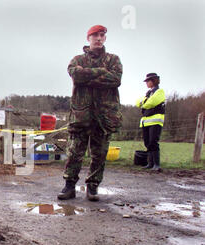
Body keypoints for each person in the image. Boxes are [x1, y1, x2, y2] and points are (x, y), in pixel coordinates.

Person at [58, 25, 123, 201]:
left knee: (99, 154)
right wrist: (101, 73)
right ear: (88, 38)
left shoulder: (113, 60)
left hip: (104, 117)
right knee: (74, 154)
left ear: (105, 38)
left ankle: (92, 187)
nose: (99, 38)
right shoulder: (77, 59)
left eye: (102, 35)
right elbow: (76, 75)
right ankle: (69, 186)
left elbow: (115, 79)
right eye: (95, 35)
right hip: (81, 116)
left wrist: (89, 77)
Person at [136, 73, 165, 171]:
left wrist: (143, 103)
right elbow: (137, 102)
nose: (146, 83)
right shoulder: (148, 93)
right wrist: (144, 103)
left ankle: (157, 164)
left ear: (154, 81)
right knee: (147, 142)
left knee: (153, 142)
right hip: (146, 122)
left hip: (155, 121)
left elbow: (151, 103)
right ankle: (150, 163)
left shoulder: (160, 91)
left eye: (148, 81)